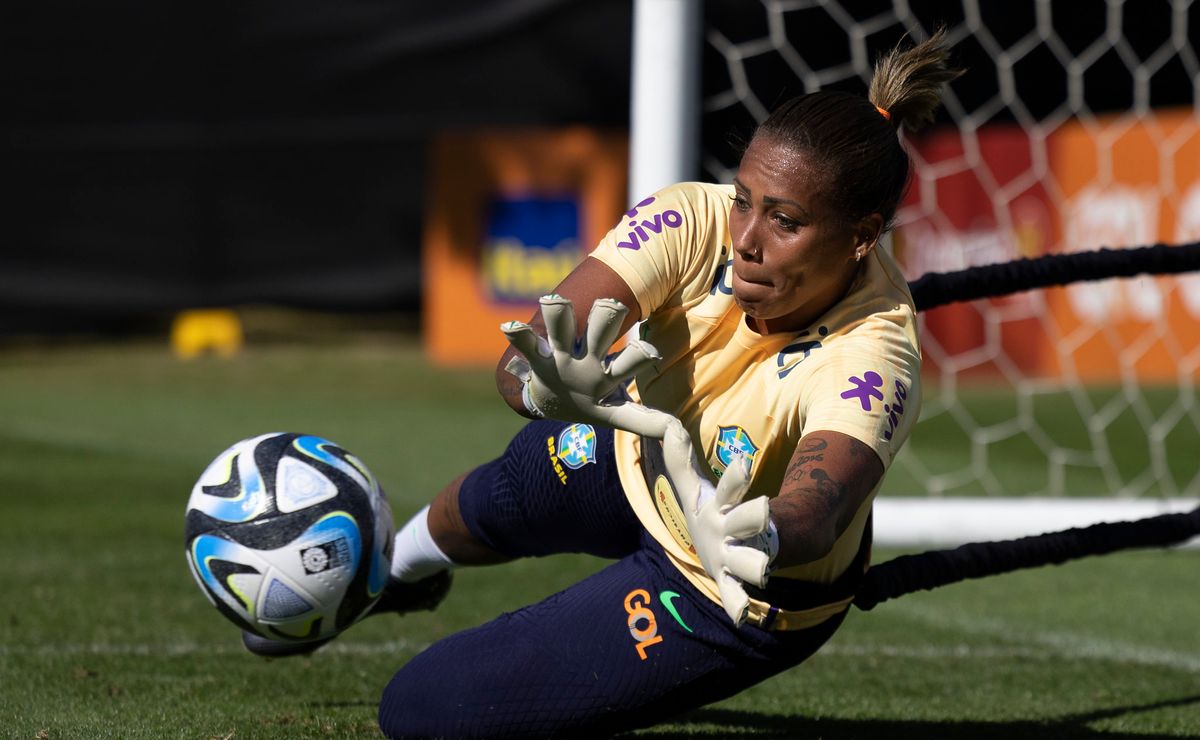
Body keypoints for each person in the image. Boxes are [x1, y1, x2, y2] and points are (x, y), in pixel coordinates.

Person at [247, 31, 959, 737]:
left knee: (423, 710)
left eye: (785, 220)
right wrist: (544, 388)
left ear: (862, 236)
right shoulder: (693, 219)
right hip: (636, 457)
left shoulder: (874, 354)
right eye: (745, 199)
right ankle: (392, 576)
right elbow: (526, 354)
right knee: (485, 503)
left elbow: (819, 508)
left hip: (727, 585)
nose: (746, 237)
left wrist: (758, 531)